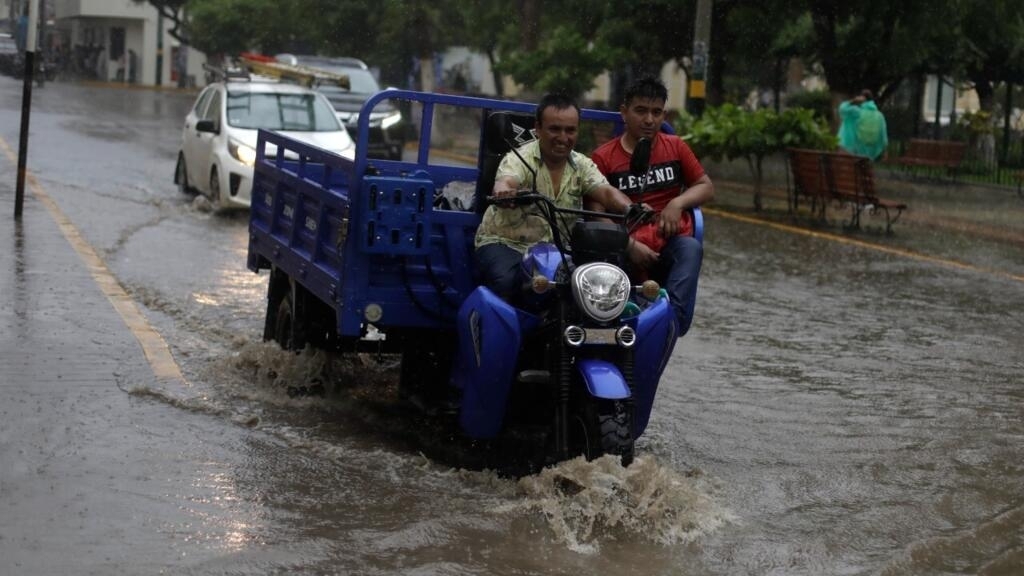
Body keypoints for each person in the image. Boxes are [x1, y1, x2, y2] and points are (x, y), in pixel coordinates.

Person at [475, 93, 637, 303]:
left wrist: (630, 207)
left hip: (557, 251)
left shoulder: (582, 165)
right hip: (506, 243)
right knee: (506, 282)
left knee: (596, 286)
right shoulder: (520, 158)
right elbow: (506, 180)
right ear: (538, 129)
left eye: (570, 130)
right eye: (554, 129)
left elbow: (605, 191)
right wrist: (504, 192)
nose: (563, 137)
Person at [589, 76, 714, 336]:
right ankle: (618, 316)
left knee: (691, 248)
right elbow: (594, 214)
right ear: (624, 113)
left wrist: (677, 202)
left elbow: (705, 185)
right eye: (641, 111)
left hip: (667, 241)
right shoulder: (604, 157)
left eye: (656, 113)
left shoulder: (676, 147)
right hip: (623, 244)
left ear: (664, 114)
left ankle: (671, 322)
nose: (649, 120)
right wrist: (628, 244)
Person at [838, 89, 888, 161]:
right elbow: (883, 136)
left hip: (855, 151)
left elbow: (842, 108)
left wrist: (853, 101)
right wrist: (885, 151)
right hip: (871, 153)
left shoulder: (857, 112)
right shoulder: (880, 116)